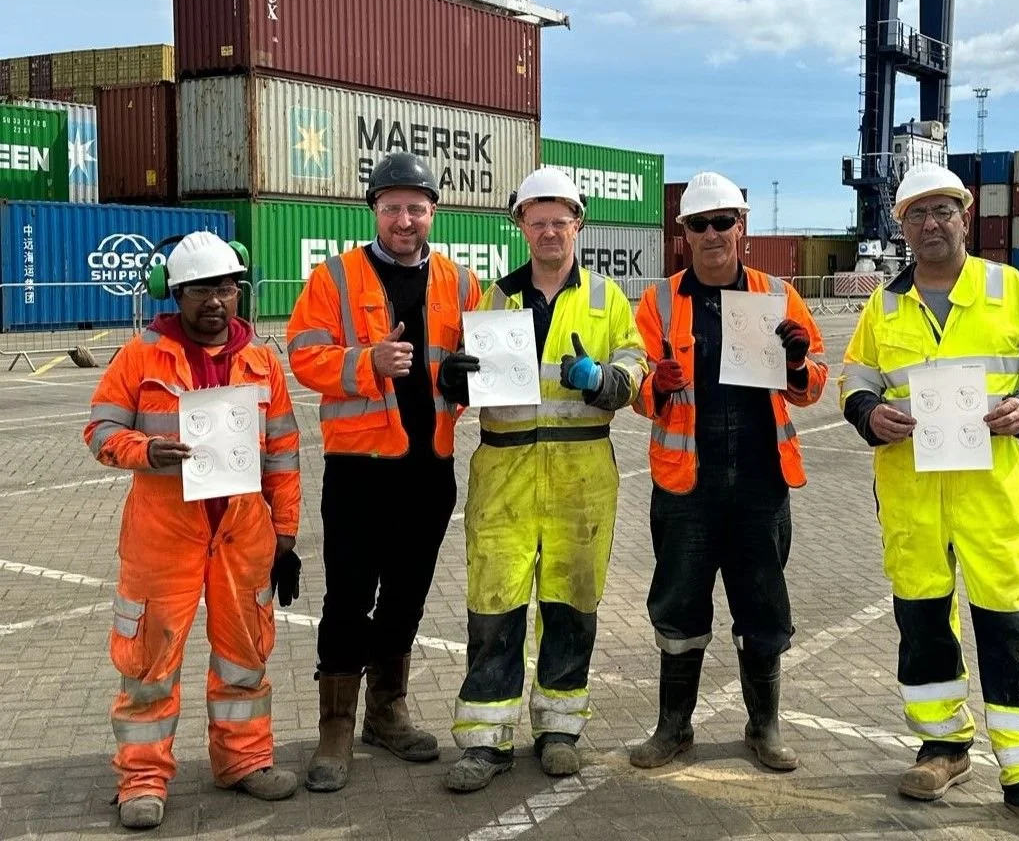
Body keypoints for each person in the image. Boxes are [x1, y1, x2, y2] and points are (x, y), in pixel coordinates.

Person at [839, 164, 1019, 841]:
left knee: (1007, 627)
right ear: (903, 227)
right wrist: (866, 414)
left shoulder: (1008, 289)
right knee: (921, 625)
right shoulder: (884, 307)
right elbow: (854, 376)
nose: (931, 224)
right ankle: (942, 747)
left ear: (964, 216)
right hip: (912, 495)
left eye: (943, 210)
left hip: (989, 494)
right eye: (917, 214)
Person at [439, 167, 648, 792]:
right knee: (494, 606)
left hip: (582, 475)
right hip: (503, 469)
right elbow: (464, 374)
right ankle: (485, 742)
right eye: (538, 220)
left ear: (577, 225)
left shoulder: (607, 298)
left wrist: (605, 380)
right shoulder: (493, 298)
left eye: (561, 220)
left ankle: (560, 728)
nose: (550, 231)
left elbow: (636, 364)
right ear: (521, 227)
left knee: (571, 604)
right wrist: (454, 378)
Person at [84, 231, 301, 830]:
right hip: (163, 534)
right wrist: (144, 449)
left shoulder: (261, 359)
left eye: (227, 287)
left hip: (242, 532)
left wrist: (285, 533)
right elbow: (99, 431)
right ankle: (143, 779)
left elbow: (282, 451)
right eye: (202, 288)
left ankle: (244, 759)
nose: (216, 300)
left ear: (240, 292)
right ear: (174, 294)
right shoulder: (141, 356)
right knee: (149, 661)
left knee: (245, 656)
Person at [286, 152, 481, 793]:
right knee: (347, 597)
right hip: (359, 468)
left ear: (432, 213)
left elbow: (474, 363)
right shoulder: (335, 277)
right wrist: (367, 360)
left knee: (406, 593)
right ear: (374, 210)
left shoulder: (461, 281)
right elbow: (304, 355)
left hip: (430, 466)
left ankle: (386, 712)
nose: (404, 218)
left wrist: (460, 379)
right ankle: (336, 726)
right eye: (392, 206)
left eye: (416, 207)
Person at [627, 171, 828, 771]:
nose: (712, 233)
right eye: (699, 224)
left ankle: (764, 727)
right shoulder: (659, 300)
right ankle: (673, 727)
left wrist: (795, 359)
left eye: (723, 222)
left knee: (763, 606)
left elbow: (813, 385)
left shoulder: (779, 294)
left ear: (742, 227)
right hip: (687, 484)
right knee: (679, 605)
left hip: (761, 484)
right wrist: (652, 386)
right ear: (683, 233)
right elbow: (637, 384)